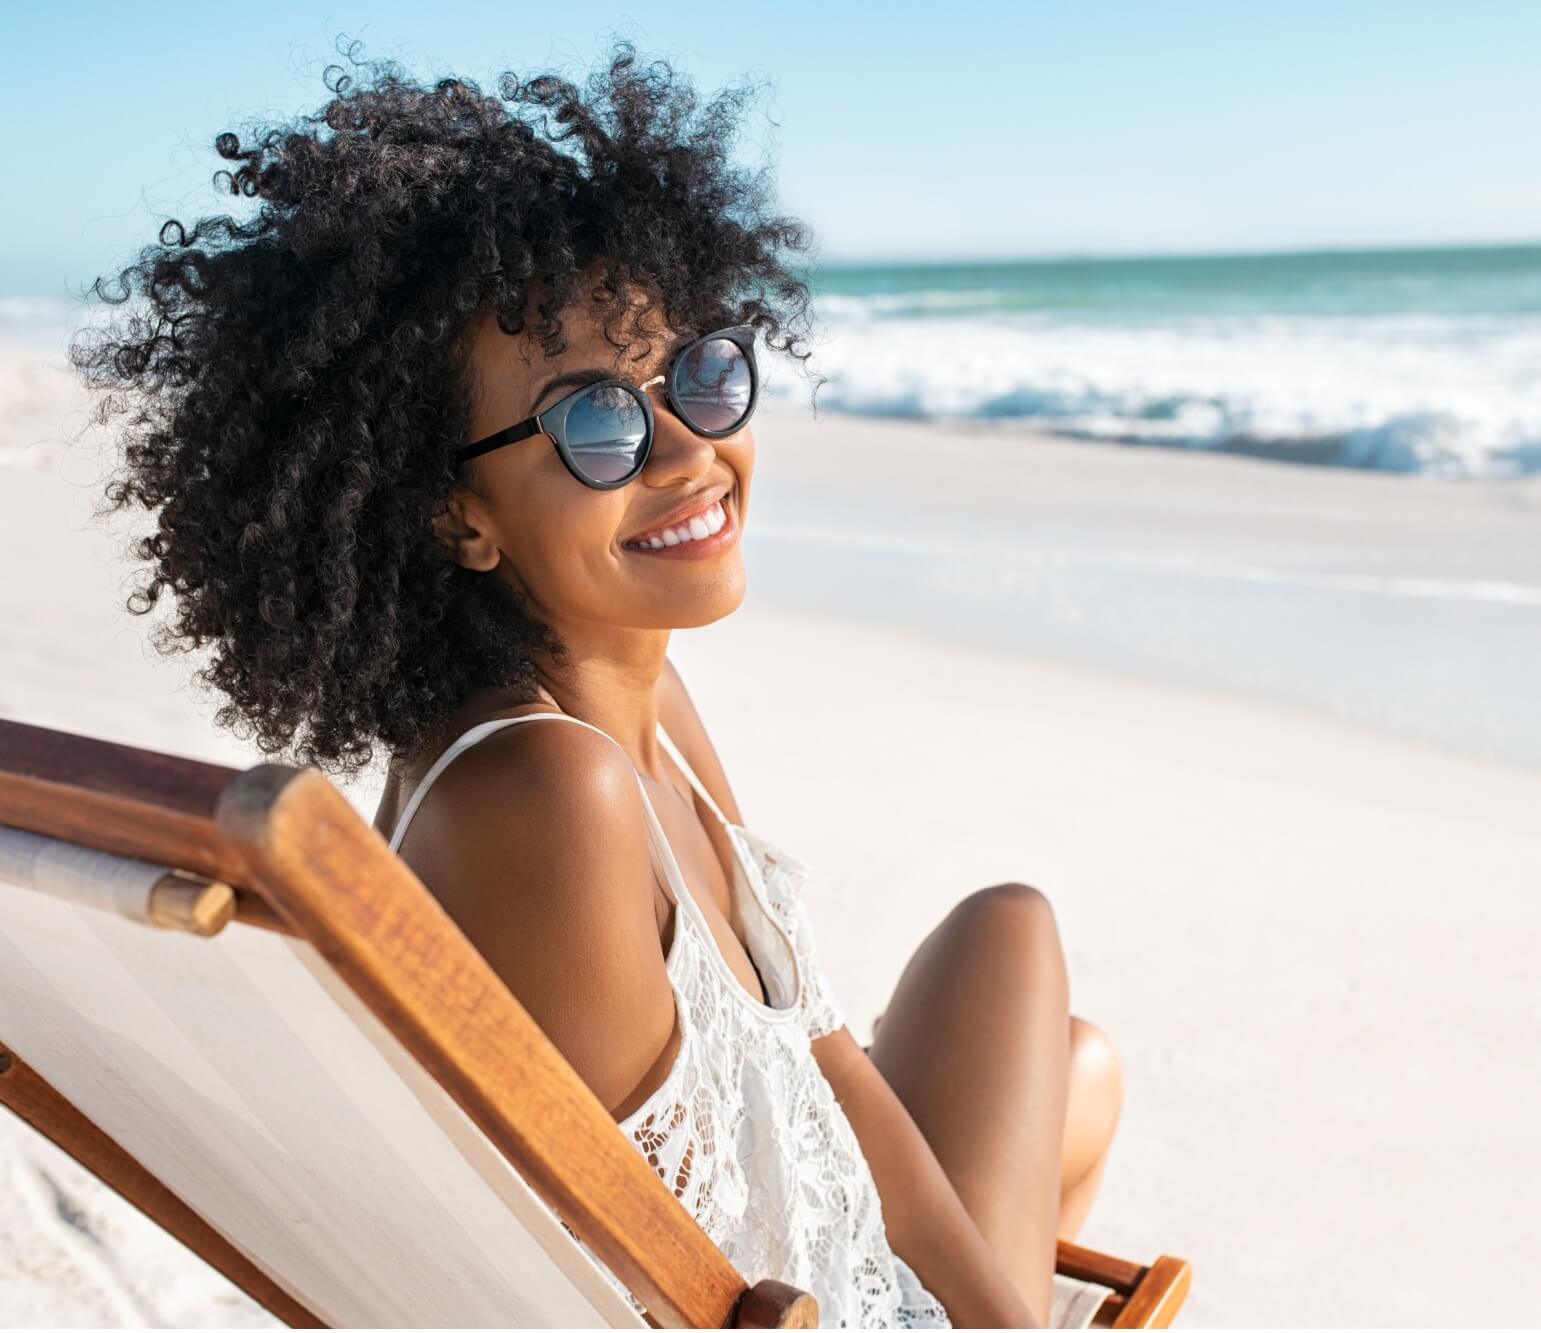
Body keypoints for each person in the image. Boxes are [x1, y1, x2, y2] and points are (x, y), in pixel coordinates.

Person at [71, 37, 1123, 1328]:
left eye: (693, 372)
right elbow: (637, 1283)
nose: (685, 448)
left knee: (1064, 1047)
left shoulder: (631, 700)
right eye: (594, 419)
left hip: (804, 1230)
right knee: (1038, 992)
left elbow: (820, 1053)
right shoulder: (547, 787)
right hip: (786, 1307)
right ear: (460, 515)